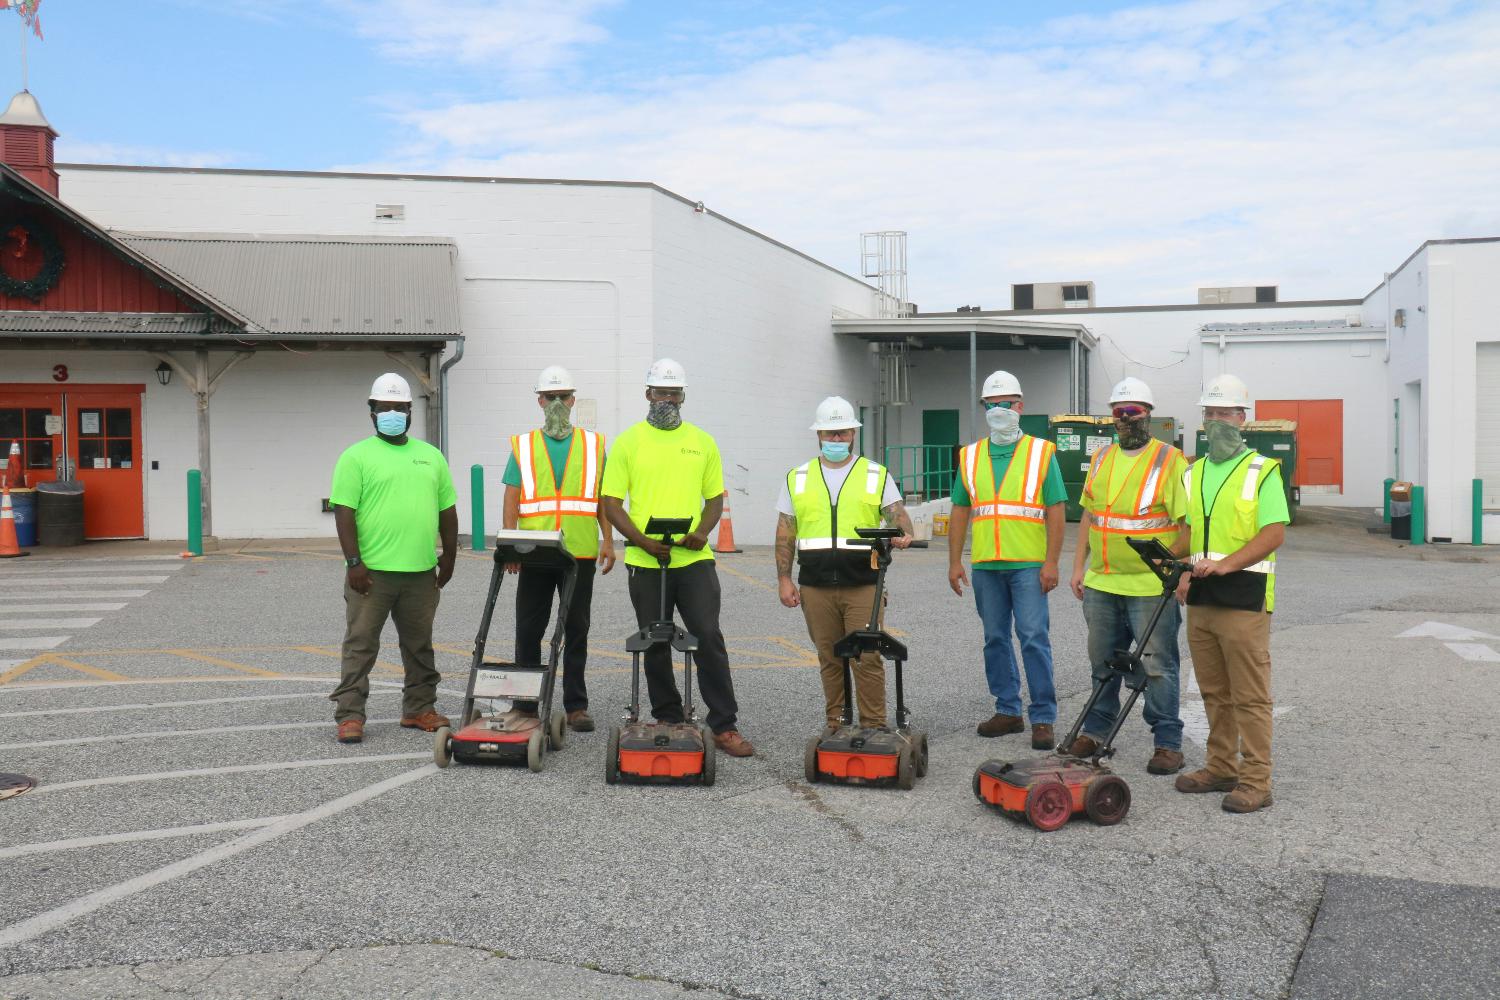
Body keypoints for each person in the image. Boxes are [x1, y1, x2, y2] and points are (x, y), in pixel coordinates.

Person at [599, 358, 754, 757]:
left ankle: (724, 724)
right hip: (646, 559)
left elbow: (714, 498)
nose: (667, 398)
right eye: (661, 391)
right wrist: (641, 541)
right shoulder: (628, 442)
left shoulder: (701, 441)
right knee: (655, 640)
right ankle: (668, 717)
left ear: (683, 396)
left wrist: (702, 533)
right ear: (647, 393)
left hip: (692, 559)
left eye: (674, 392)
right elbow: (612, 502)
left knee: (708, 637)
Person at [1174, 373, 1289, 814]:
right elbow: (1191, 533)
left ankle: (1256, 781)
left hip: (1244, 596)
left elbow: (1273, 533)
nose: (1216, 420)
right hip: (1202, 598)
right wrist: (1171, 560)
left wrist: (1226, 564)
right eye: (1210, 413)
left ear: (1243, 418)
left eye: (1224, 412)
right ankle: (1221, 766)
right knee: (1213, 692)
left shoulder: (1262, 471)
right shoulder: (1195, 472)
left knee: (1250, 695)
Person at [1066, 377, 1190, 774]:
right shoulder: (1102, 458)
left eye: (1133, 411)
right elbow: (1090, 515)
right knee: (1102, 662)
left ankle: (1167, 742)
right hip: (1102, 580)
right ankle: (1095, 730)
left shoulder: (1170, 460)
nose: (1124, 418)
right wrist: (1077, 567)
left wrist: (1177, 570)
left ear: (1149, 415)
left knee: (1157, 666)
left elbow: (1188, 526)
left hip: (1150, 586)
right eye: (1118, 412)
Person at [329, 373, 458, 744]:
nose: (392, 413)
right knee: (361, 644)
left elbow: (446, 510)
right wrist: (354, 562)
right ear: (371, 412)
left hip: (420, 572)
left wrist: (448, 557)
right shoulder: (355, 457)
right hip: (372, 573)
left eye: (399, 408)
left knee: (419, 645)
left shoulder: (430, 456)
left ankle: (419, 708)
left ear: (409, 412)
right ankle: (350, 714)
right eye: (384, 407)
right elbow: (344, 512)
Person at [775, 396, 913, 729]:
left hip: (864, 583)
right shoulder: (798, 477)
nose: (836, 440)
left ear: (853, 433)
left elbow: (901, 519)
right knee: (830, 658)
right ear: (818, 435)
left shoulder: (875, 475)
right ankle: (836, 723)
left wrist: (904, 533)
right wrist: (784, 579)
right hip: (815, 584)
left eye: (842, 433)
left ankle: (874, 726)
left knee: (867, 656)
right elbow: (785, 531)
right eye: (829, 433)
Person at [948, 370, 1067, 750]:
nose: (999, 410)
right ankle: (1008, 710)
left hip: (1029, 564)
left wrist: (1052, 562)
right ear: (983, 408)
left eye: (1006, 403)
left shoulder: (1040, 452)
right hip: (986, 566)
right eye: (991, 404)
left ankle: (1043, 717)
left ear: (1020, 407)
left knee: (1033, 638)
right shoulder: (970, 456)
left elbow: (1056, 510)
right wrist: (954, 562)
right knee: (995, 639)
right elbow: (960, 511)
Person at [501, 365, 615, 733]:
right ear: (539, 400)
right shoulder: (525, 445)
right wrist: (511, 545)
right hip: (534, 551)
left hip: (578, 553)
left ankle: (576, 706)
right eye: (550, 396)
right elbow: (513, 495)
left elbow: (601, 499)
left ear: (573, 400)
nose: (556, 403)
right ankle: (527, 702)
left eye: (562, 396)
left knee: (576, 629)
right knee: (528, 628)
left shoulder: (593, 445)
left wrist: (609, 540)